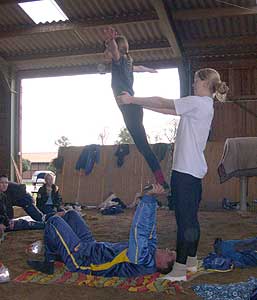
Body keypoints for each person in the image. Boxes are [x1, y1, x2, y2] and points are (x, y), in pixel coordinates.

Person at [117, 68, 229, 281]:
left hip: (186, 173)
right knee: (190, 220)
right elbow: (168, 110)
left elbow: (165, 102)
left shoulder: (198, 102)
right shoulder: (202, 105)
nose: (194, 84)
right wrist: (137, 103)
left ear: (205, 83)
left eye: (196, 81)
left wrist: (132, 98)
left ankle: (179, 271)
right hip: (191, 172)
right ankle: (191, 262)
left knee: (184, 221)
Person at [27, 184, 176, 277]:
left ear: (162, 265)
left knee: (53, 221)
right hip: (91, 246)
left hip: (83, 259)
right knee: (72, 214)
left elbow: (140, 231)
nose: (167, 249)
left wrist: (147, 198)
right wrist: (151, 199)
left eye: (169, 254)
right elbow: (149, 228)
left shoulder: (143, 260)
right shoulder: (150, 250)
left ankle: (49, 262)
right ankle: (60, 252)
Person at [104, 27, 169, 190]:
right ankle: (161, 180)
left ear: (117, 50)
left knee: (144, 147)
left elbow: (114, 51)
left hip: (130, 108)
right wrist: (149, 70)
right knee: (143, 147)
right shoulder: (127, 62)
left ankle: (162, 182)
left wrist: (111, 41)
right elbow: (138, 67)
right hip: (132, 107)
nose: (107, 52)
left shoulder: (118, 63)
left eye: (109, 49)